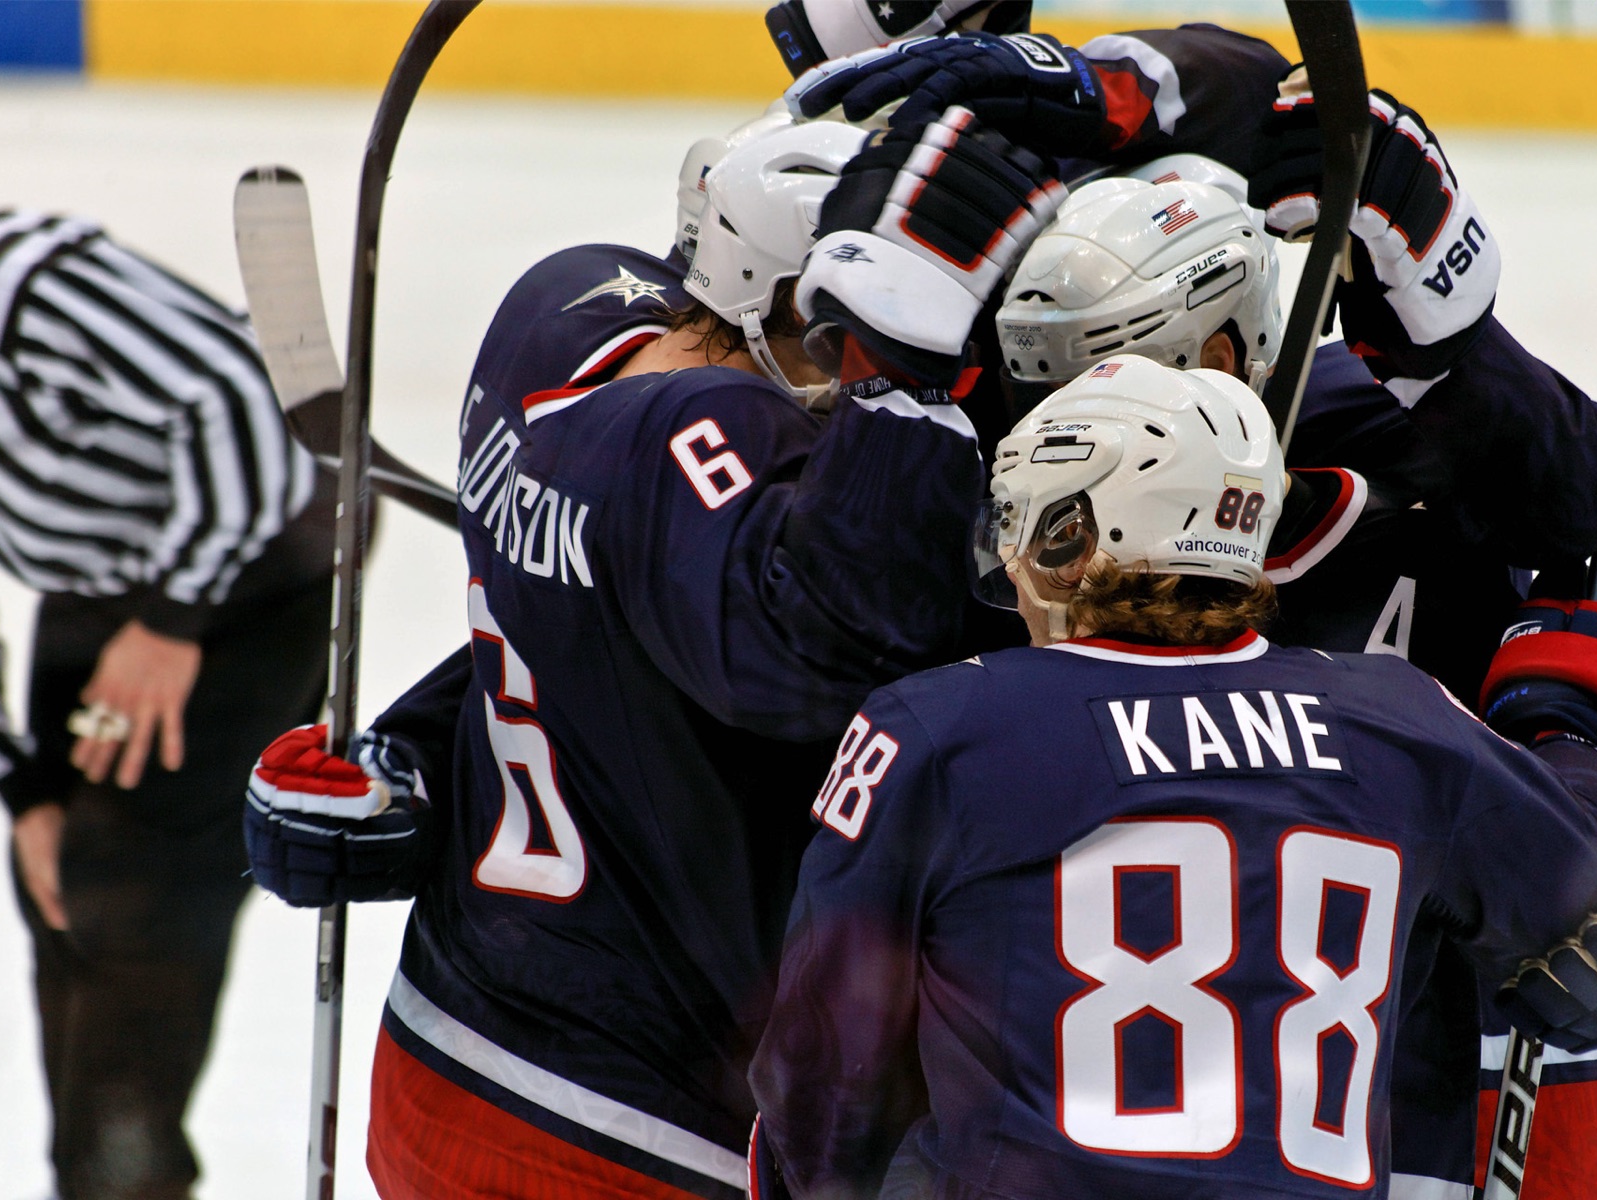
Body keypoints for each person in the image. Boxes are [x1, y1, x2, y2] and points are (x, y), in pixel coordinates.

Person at [782, 18, 1597, 1190]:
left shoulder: (1398, 449)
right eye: (1047, 378)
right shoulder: (1010, 491)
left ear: (1232, 350)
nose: (1063, 417)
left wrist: (1448, 328)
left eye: (1120, 364)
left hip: (1404, 1084)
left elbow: (1573, 512)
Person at [242, 109, 1067, 1197]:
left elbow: (580, 619)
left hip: (444, 1059)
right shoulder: (706, 440)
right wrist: (905, 398)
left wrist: (416, 750)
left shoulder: (559, 329)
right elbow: (834, 653)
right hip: (643, 1127)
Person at [747, 355, 1597, 1198]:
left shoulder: (938, 729)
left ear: (1070, 537)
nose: (1008, 562)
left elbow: (820, 1084)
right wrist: (1574, 729)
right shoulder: (1400, 723)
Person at [0, 209, 335, 1200]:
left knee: (131, 892)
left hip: (263, 559)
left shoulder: (15, 289)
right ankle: (94, 1177)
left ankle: (126, 1181)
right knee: (58, 881)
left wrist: (173, 622)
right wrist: (22, 786)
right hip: (109, 579)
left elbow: (239, 399)